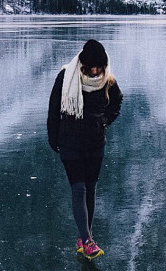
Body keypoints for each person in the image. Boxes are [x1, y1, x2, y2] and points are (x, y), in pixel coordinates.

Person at [47, 39, 123, 259]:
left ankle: (84, 237)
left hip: (95, 144)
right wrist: (54, 139)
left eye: (99, 66)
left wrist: (104, 121)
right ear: (83, 64)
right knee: (78, 189)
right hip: (70, 143)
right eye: (92, 66)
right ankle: (88, 241)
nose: (95, 70)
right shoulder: (66, 77)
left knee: (91, 189)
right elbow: (54, 108)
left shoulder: (107, 80)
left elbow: (117, 102)